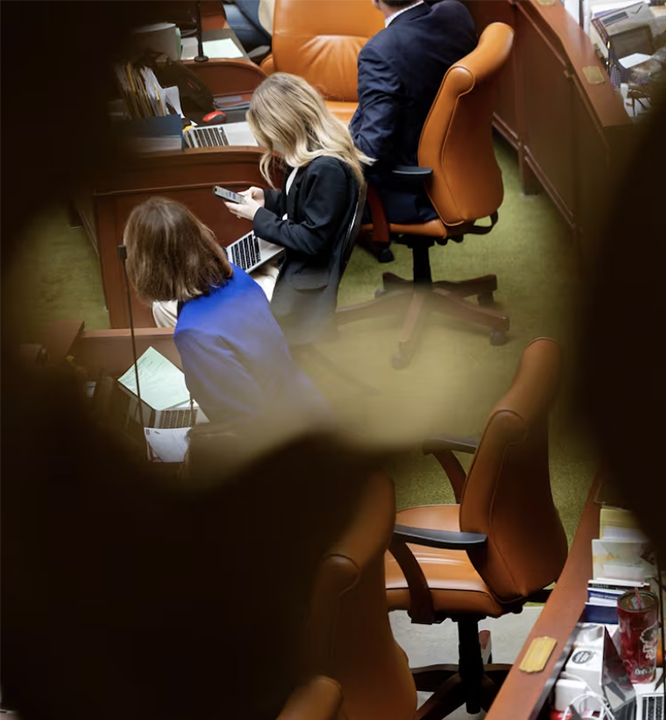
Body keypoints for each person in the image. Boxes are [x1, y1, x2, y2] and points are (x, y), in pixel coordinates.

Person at [123, 196, 327, 428]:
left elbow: (240, 421)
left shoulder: (193, 332)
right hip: (306, 406)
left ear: (147, 264)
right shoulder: (236, 275)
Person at [218, 73, 372, 344]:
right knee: (222, 270)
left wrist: (258, 216)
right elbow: (307, 205)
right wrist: (268, 199)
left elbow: (313, 240)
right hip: (292, 263)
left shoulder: (326, 169)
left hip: (302, 283)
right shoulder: (307, 154)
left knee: (214, 298)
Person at [348, 0, 477, 224]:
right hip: (465, 173)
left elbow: (370, 152)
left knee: (309, 186)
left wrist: (330, 154)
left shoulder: (380, 51)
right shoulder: (456, 13)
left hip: (413, 190)